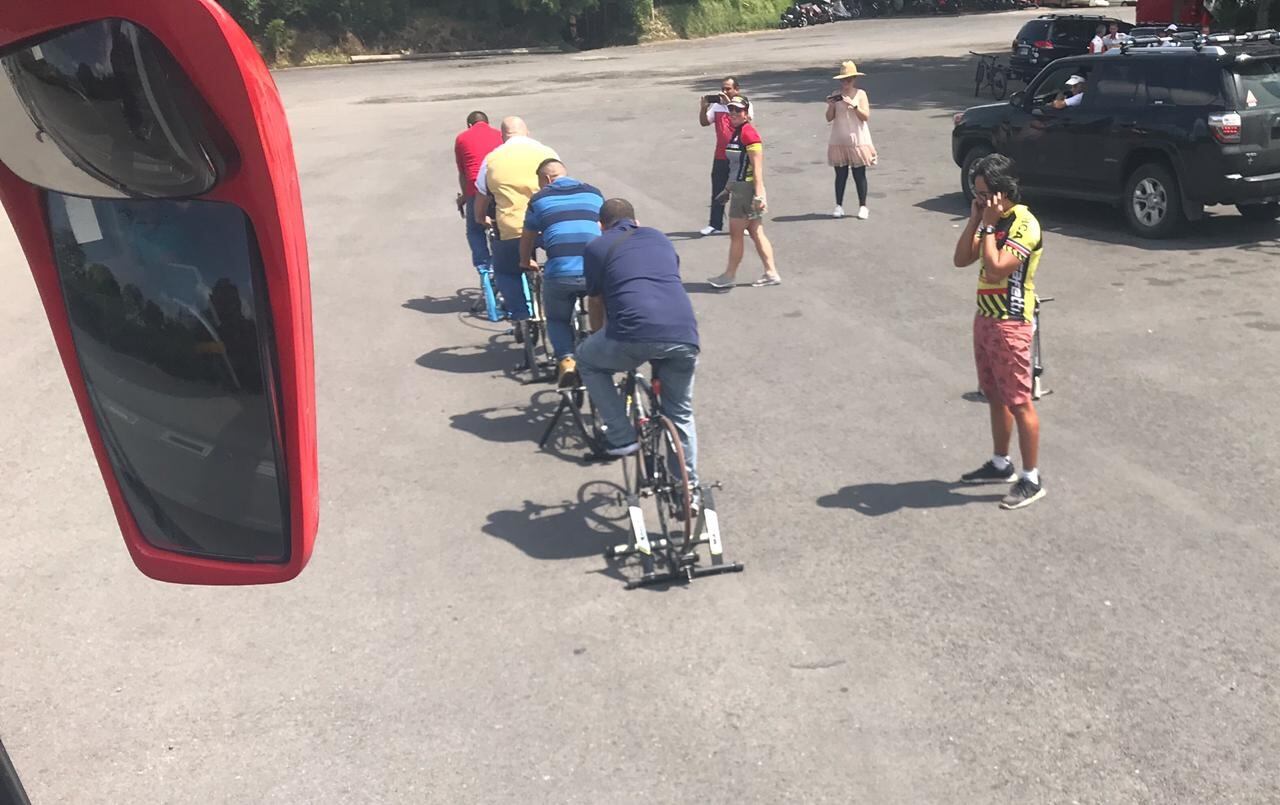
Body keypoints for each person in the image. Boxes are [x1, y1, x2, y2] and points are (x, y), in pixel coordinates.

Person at [577, 198, 701, 487]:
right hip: (683, 333)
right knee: (680, 412)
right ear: (637, 221)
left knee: (588, 360)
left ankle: (622, 437)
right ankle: (688, 489)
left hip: (631, 333)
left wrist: (598, 335)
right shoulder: (658, 237)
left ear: (601, 226)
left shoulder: (596, 247)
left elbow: (595, 299)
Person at [951, 154, 1046, 510]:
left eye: (982, 194)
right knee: (994, 394)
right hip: (986, 319)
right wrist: (975, 220)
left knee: (1019, 401)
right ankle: (1000, 463)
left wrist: (988, 226)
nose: (977, 198)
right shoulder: (988, 218)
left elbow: (995, 269)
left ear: (1003, 192)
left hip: (1012, 322)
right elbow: (961, 259)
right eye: (974, 193)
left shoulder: (1024, 223)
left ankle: (1032, 477)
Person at [520, 159, 604, 388]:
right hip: (595, 269)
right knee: (601, 304)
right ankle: (602, 353)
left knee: (557, 318)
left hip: (561, 274)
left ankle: (566, 359)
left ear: (546, 179)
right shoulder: (594, 194)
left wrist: (525, 260)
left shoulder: (539, 199)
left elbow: (528, 235)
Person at [474, 117, 558, 319]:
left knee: (505, 270)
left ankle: (521, 313)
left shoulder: (492, 159)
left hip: (512, 228)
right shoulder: (547, 153)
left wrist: (480, 217)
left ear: (503, 136)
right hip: (549, 225)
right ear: (527, 132)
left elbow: (482, 194)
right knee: (561, 261)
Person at [706, 96, 781, 289]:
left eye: (738, 111)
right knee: (756, 231)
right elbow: (736, 167)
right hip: (739, 188)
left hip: (746, 190)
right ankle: (771, 273)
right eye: (731, 110)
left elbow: (756, 169)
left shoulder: (749, 134)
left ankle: (729, 276)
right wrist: (727, 189)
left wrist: (759, 194)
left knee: (736, 234)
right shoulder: (737, 133)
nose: (733, 114)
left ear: (746, 113)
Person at [698, 78, 755, 237]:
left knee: (741, 191)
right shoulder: (716, 107)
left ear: (737, 89)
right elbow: (704, 122)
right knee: (718, 189)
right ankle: (715, 224)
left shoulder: (744, 105)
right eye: (723, 88)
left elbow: (747, 122)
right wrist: (703, 109)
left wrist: (730, 104)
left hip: (739, 155)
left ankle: (743, 223)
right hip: (721, 155)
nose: (724, 92)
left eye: (728, 89)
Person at [825, 61, 877, 220]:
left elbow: (865, 116)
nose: (845, 83)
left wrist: (853, 105)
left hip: (857, 140)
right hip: (839, 139)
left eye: (848, 80)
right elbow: (828, 118)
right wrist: (831, 105)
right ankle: (838, 205)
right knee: (840, 175)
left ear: (854, 79)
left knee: (859, 174)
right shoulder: (836, 94)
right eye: (843, 80)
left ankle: (863, 206)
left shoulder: (860, 94)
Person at [453, 111, 502, 275]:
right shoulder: (500, 135)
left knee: (475, 229)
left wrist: (464, 198)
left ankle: (485, 268)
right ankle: (501, 261)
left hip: (476, 188)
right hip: (498, 187)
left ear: (469, 125)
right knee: (500, 226)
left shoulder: (462, 138)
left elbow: (463, 174)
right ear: (488, 123)